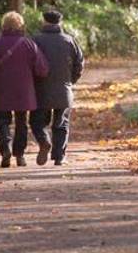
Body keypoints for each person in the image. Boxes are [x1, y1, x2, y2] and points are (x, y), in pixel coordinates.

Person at [0, 11, 49, 168]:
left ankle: (5, 147)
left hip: (0, 90)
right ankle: (20, 155)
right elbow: (42, 69)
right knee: (21, 122)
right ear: (21, 26)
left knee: (1, 121)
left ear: (3, 26)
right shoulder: (29, 44)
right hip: (23, 92)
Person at [31, 10, 84, 166]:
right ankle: (59, 156)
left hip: (40, 89)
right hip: (64, 89)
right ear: (60, 23)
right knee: (61, 123)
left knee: (37, 121)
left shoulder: (35, 40)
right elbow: (79, 65)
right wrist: (70, 81)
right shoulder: (70, 41)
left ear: (44, 22)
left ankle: (44, 141)